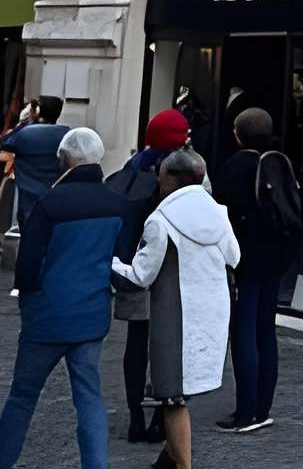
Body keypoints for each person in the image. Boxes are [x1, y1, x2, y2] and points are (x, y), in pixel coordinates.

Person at [0, 126, 126, 469]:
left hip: (47, 314)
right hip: (91, 313)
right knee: (89, 396)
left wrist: (28, 299)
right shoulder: (116, 204)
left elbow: (28, 263)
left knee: (23, 394)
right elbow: (119, 256)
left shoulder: (48, 202)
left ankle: (1, 460)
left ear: (66, 160)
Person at [112, 148, 239, 469]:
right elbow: (234, 257)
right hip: (211, 313)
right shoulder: (218, 213)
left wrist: (108, 263)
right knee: (183, 393)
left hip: (174, 319)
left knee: (172, 397)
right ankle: (167, 461)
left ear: (172, 180)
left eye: (161, 178)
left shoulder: (160, 220)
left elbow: (141, 275)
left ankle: (181, 465)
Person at [213, 106, 303, 433]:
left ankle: (246, 412)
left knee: (243, 331)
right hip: (277, 257)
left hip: (246, 258)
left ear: (237, 134)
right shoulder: (281, 162)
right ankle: (263, 408)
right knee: (265, 329)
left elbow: (220, 214)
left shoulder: (234, 167)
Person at [105, 107, 193, 444]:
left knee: (137, 346)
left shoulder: (132, 168)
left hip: (133, 265)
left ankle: (134, 419)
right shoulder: (186, 169)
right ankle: (161, 416)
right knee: (168, 347)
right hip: (172, 274)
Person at [0, 93, 69, 228]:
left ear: (37, 111)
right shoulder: (66, 133)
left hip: (28, 193)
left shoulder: (26, 133)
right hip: (56, 194)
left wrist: (25, 122)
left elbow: (4, 143)